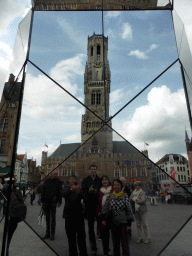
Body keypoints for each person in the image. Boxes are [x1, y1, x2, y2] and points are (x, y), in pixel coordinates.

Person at [102, 179, 134, 256]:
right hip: (113, 223)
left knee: (124, 243)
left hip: (123, 223)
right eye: (115, 185)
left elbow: (129, 211)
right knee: (115, 243)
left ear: (121, 186)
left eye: (118, 185)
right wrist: (103, 218)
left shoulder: (125, 196)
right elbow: (105, 208)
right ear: (113, 186)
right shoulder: (110, 196)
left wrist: (129, 224)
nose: (116, 186)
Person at [63, 175, 88, 256]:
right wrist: (71, 189)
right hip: (69, 215)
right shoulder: (66, 188)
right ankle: (73, 253)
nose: (73, 180)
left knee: (81, 236)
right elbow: (64, 195)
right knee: (71, 236)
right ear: (69, 180)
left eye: (74, 179)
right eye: (72, 179)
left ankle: (83, 252)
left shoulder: (79, 189)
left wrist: (78, 191)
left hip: (79, 215)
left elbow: (84, 197)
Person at [81, 164, 100, 256]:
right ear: (89, 170)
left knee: (103, 227)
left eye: (94, 169)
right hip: (89, 207)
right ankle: (93, 248)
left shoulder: (100, 180)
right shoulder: (85, 180)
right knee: (91, 228)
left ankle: (105, 248)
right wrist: (88, 191)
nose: (93, 171)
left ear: (96, 170)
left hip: (99, 207)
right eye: (92, 169)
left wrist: (96, 191)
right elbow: (82, 192)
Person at [41, 170, 62, 240]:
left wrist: (60, 201)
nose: (55, 175)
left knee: (53, 218)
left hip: (53, 202)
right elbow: (43, 191)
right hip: (46, 201)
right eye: (55, 174)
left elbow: (59, 192)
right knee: (47, 218)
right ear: (51, 174)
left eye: (56, 174)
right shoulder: (46, 181)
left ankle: (52, 234)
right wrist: (42, 201)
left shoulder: (58, 181)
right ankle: (47, 233)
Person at [96, 175, 113, 256]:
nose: (105, 181)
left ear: (108, 181)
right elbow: (97, 204)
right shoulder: (99, 191)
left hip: (112, 214)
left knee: (113, 233)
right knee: (104, 234)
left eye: (106, 180)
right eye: (103, 180)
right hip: (103, 215)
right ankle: (105, 250)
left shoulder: (112, 190)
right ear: (101, 182)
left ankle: (112, 249)